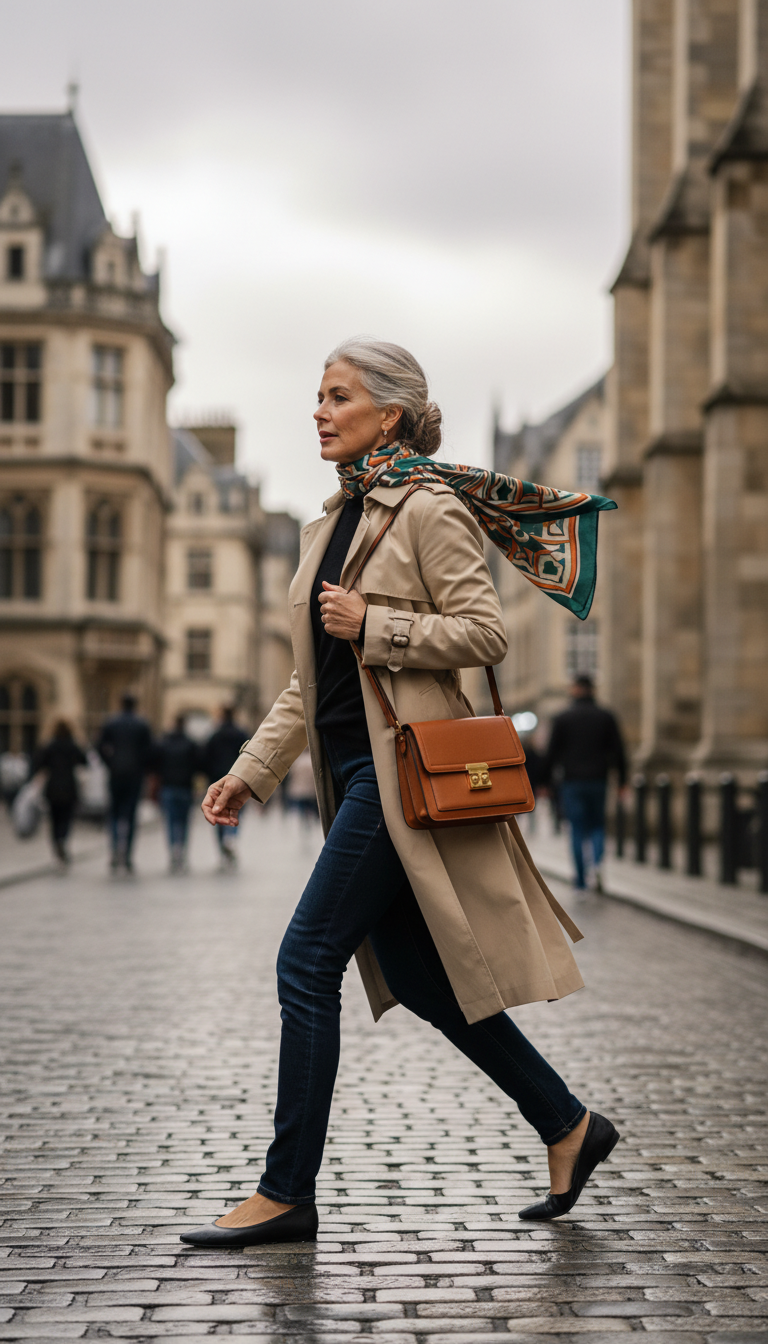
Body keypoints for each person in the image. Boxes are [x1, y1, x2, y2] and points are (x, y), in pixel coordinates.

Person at [181, 338, 620, 1251]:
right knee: (421, 978)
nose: (318, 410)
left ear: (389, 414)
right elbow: (309, 682)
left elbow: (486, 632)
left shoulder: (427, 508)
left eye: (337, 396)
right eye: (316, 395)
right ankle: (569, 1126)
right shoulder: (329, 522)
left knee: (305, 963)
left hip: (399, 780)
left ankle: (285, 1190)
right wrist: (251, 771)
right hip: (348, 782)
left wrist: (376, 623)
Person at [543, 674, 627, 892]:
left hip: (572, 781)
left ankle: (581, 879)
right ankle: (597, 863)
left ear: (575, 689)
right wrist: (623, 781)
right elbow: (619, 751)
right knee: (598, 824)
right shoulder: (606, 717)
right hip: (599, 780)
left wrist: (544, 781)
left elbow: (551, 754)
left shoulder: (563, 718)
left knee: (577, 829)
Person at [97, 693, 152, 873]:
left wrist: (110, 763)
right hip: (134, 776)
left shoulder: (112, 723)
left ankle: (114, 852)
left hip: (116, 774)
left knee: (114, 815)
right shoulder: (141, 724)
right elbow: (149, 751)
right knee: (130, 816)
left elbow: (99, 746)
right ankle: (127, 856)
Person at [30, 721, 87, 864]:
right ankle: (62, 839)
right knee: (66, 818)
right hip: (68, 787)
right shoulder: (72, 745)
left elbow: (37, 763)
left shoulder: (50, 745)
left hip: (53, 787)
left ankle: (57, 843)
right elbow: (84, 761)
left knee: (54, 818)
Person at [152, 714, 201, 873]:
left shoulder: (164, 743)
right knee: (184, 822)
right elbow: (198, 765)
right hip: (185, 788)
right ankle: (182, 851)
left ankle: (174, 850)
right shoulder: (190, 744)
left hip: (168, 787)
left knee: (171, 822)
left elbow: (156, 765)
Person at [203, 707, 250, 867]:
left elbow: (206, 757)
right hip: (238, 779)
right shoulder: (241, 734)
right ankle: (232, 836)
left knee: (218, 813)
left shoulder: (215, 735)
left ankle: (223, 844)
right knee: (236, 811)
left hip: (218, 780)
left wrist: (209, 778)